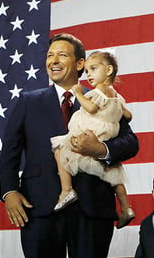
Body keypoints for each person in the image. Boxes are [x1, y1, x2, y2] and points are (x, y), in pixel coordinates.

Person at [0, 33, 140, 258]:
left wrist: (102, 147)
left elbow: (130, 142)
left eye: (62, 54)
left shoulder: (102, 97)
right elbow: (9, 153)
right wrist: (9, 192)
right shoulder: (29, 101)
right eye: (49, 55)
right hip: (40, 209)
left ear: (80, 63)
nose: (53, 59)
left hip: (91, 207)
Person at [51, 50, 136, 228]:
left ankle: (66, 190)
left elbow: (90, 108)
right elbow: (127, 115)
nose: (88, 74)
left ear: (109, 70)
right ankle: (126, 208)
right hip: (107, 131)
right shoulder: (116, 96)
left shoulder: (99, 91)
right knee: (114, 174)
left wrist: (79, 94)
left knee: (60, 150)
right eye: (87, 71)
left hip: (92, 135)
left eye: (93, 69)